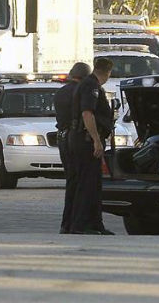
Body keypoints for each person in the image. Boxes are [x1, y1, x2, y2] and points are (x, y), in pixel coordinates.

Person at [70, 58, 115, 235]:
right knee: (87, 184)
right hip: (86, 140)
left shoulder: (89, 84)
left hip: (84, 139)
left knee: (94, 184)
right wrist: (96, 139)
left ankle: (96, 224)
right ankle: (80, 225)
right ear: (107, 72)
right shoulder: (91, 86)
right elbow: (87, 113)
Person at [54, 62, 91, 234]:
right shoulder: (82, 91)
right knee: (81, 183)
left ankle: (65, 223)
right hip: (76, 139)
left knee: (71, 181)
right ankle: (77, 222)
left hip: (62, 138)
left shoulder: (61, 92)